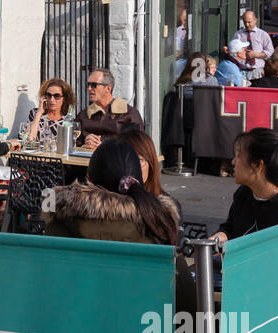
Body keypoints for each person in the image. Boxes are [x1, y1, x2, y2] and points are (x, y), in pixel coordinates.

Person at [43, 138, 180, 246]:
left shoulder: (59, 221)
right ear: (138, 178)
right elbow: (182, 280)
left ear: (88, 178)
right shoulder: (159, 225)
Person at [209, 129, 278, 247]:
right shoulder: (245, 193)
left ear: (258, 165)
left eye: (238, 155)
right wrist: (215, 239)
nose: (233, 161)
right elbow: (230, 229)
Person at [76, 67, 144, 149]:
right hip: (86, 160)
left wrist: (104, 143)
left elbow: (137, 143)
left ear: (108, 88)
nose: (89, 89)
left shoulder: (129, 114)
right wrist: (85, 143)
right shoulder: (83, 115)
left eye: (94, 85)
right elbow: (75, 142)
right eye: (88, 85)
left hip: (117, 160)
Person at [19, 78, 75, 151]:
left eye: (56, 96)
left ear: (64, 98)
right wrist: (39, 113)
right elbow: (29, 140)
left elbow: (68, 146)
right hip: (35, 158)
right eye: (48, 95)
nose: (52, 100)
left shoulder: (67, 120)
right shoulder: (35, 113)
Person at [119, 127, 165, 197]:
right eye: (126, 161)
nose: (133, 168)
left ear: (150, 163)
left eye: (139, 160)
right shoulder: (104, 204)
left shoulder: (166, 206)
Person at [233, 10, 274, 79]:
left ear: (255, 20)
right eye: (245, 22)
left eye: (249, 22)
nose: (246, 24)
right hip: (243, 70)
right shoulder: (239, 34)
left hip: (258, 70)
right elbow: (233, 52)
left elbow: (270, 51)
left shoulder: (262, 34)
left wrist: (255, 54)